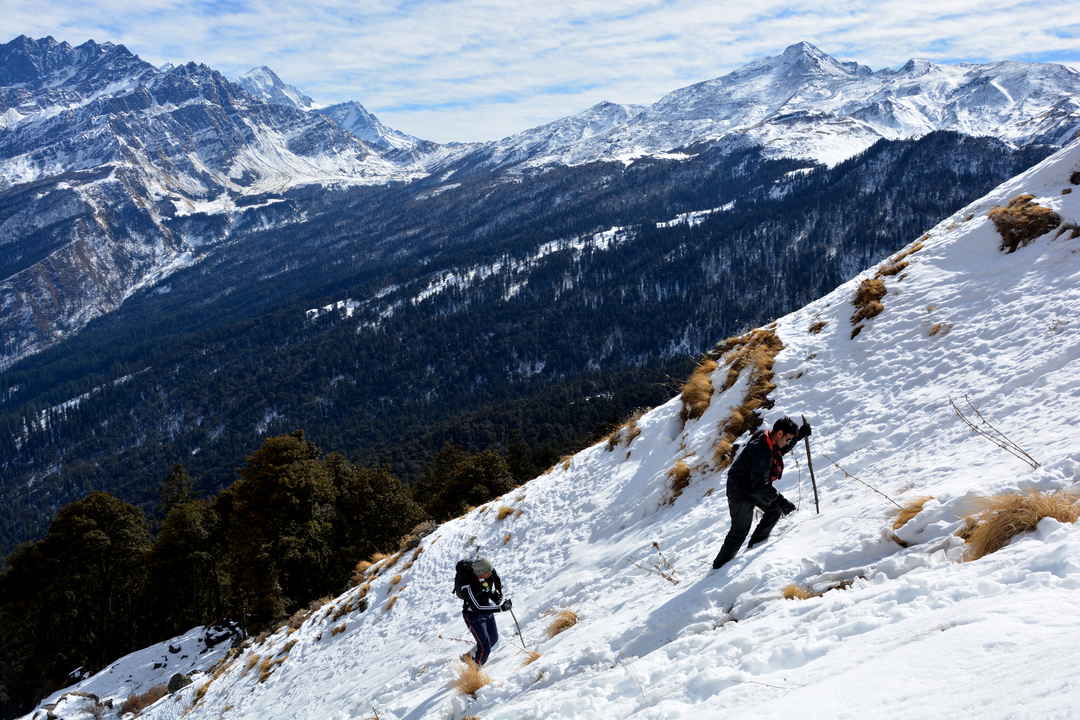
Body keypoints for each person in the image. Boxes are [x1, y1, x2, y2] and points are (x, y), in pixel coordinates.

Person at [711, 416, 811, 570]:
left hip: (751, 485)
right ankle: (717, 569)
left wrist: (798, 436)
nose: (788, 442)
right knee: (740, 530)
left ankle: (754, 548)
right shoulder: (761, 450)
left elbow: (780, 449)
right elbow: (760, 486)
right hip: (739, 490)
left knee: (774, 510)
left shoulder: (768, 439)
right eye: (788, 438)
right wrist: (781, 500)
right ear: (779, 434)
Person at [454, 557, 512, 666]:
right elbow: (477, 608)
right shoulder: (467, 586)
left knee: (493, 639)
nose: (491, 573)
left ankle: (468, 657)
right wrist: (500, 608)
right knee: (485, 647)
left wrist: (498, 596)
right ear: (480, 573)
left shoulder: (487, 574)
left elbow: (492, 584)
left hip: (487, 610)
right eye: (488, 572)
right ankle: (474, 673)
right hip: (473, 616)